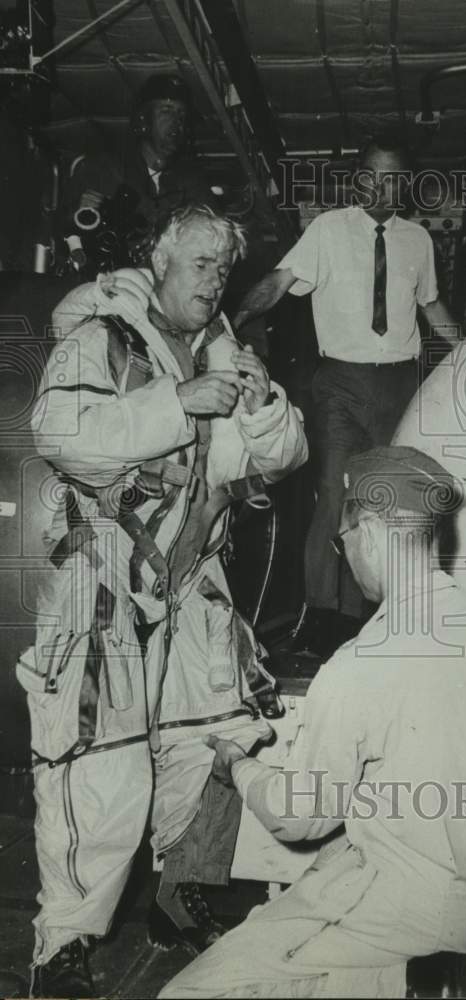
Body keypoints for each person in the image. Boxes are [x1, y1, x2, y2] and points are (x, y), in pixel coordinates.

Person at [18, 202, 308, 998]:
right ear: (158, 260)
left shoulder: (224, 350)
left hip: (193, 586)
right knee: (101, 769)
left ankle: (180, 900)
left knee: (212, 742)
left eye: (224, 268)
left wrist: (260, 404)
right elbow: (59, 429)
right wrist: (180, 401)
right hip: (103, 582)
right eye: (200, 263)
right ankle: (63, 946)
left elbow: (283, 458)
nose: (213, 282)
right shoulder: (100, 339)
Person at [158, 445, 466, 1000]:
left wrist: (239, 767)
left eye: (343, 540)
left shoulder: (364, 661)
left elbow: (298, 818)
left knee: (189, 994)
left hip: (411, 911)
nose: (344, 556)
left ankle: (411, 982)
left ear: (374, 534)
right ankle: (425, 983)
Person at [233, 136, 459, 657]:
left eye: (393, 178)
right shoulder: (328, 230)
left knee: (387, 499)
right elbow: (278, 281)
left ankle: (368, 617)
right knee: (335, 492)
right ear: (358, 179)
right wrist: (237, 317)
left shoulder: (418, 242)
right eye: (371, 176)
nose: (381, 187)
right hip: (338, 382)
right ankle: (321, 614)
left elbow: (433, 307)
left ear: (406, 185)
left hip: (400, 383)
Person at [63, 74, 217, 273]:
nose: (176, 121)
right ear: (144, 120)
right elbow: (61, 225)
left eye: (181, 115)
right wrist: (79, 213)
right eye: (166, 110)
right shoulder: (105, 168)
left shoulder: (192, 182)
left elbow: (216, 232)